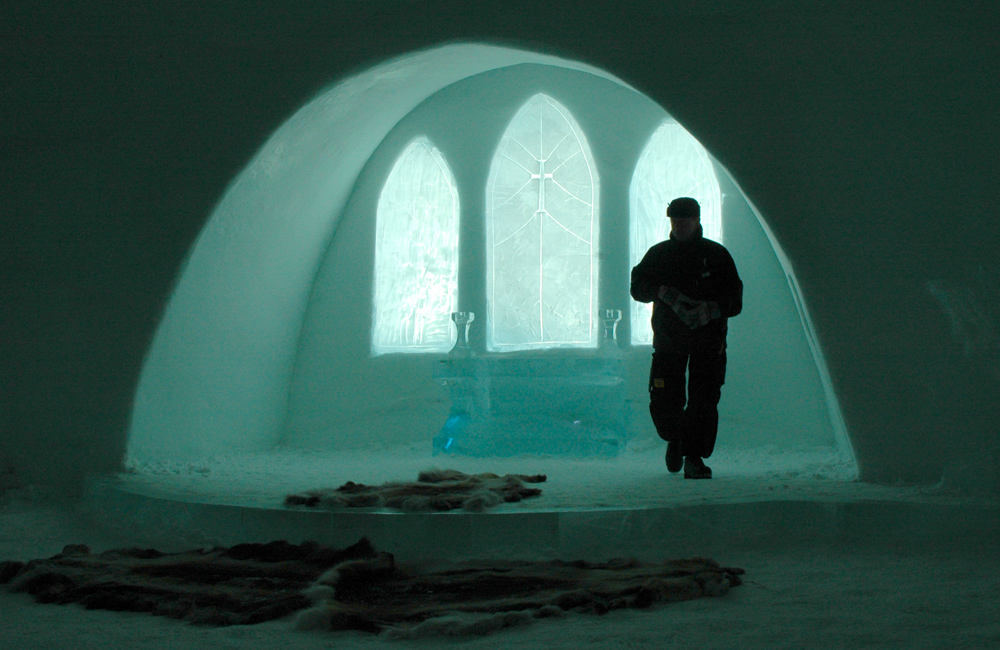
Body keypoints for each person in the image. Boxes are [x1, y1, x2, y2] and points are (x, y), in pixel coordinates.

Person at [630, 197, 743, 479]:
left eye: (683, 220)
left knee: (703, 403)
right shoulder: (659, 255)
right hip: (670, 343)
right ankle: (675, 438)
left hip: (708, 345)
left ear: (696, 220)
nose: (678, 225)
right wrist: (661, 291)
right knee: (664, 401)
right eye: (674, 220)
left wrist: (711, 310)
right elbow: (637, 287)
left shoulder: (717, 256)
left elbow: (736, 300)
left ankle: (692, 457)